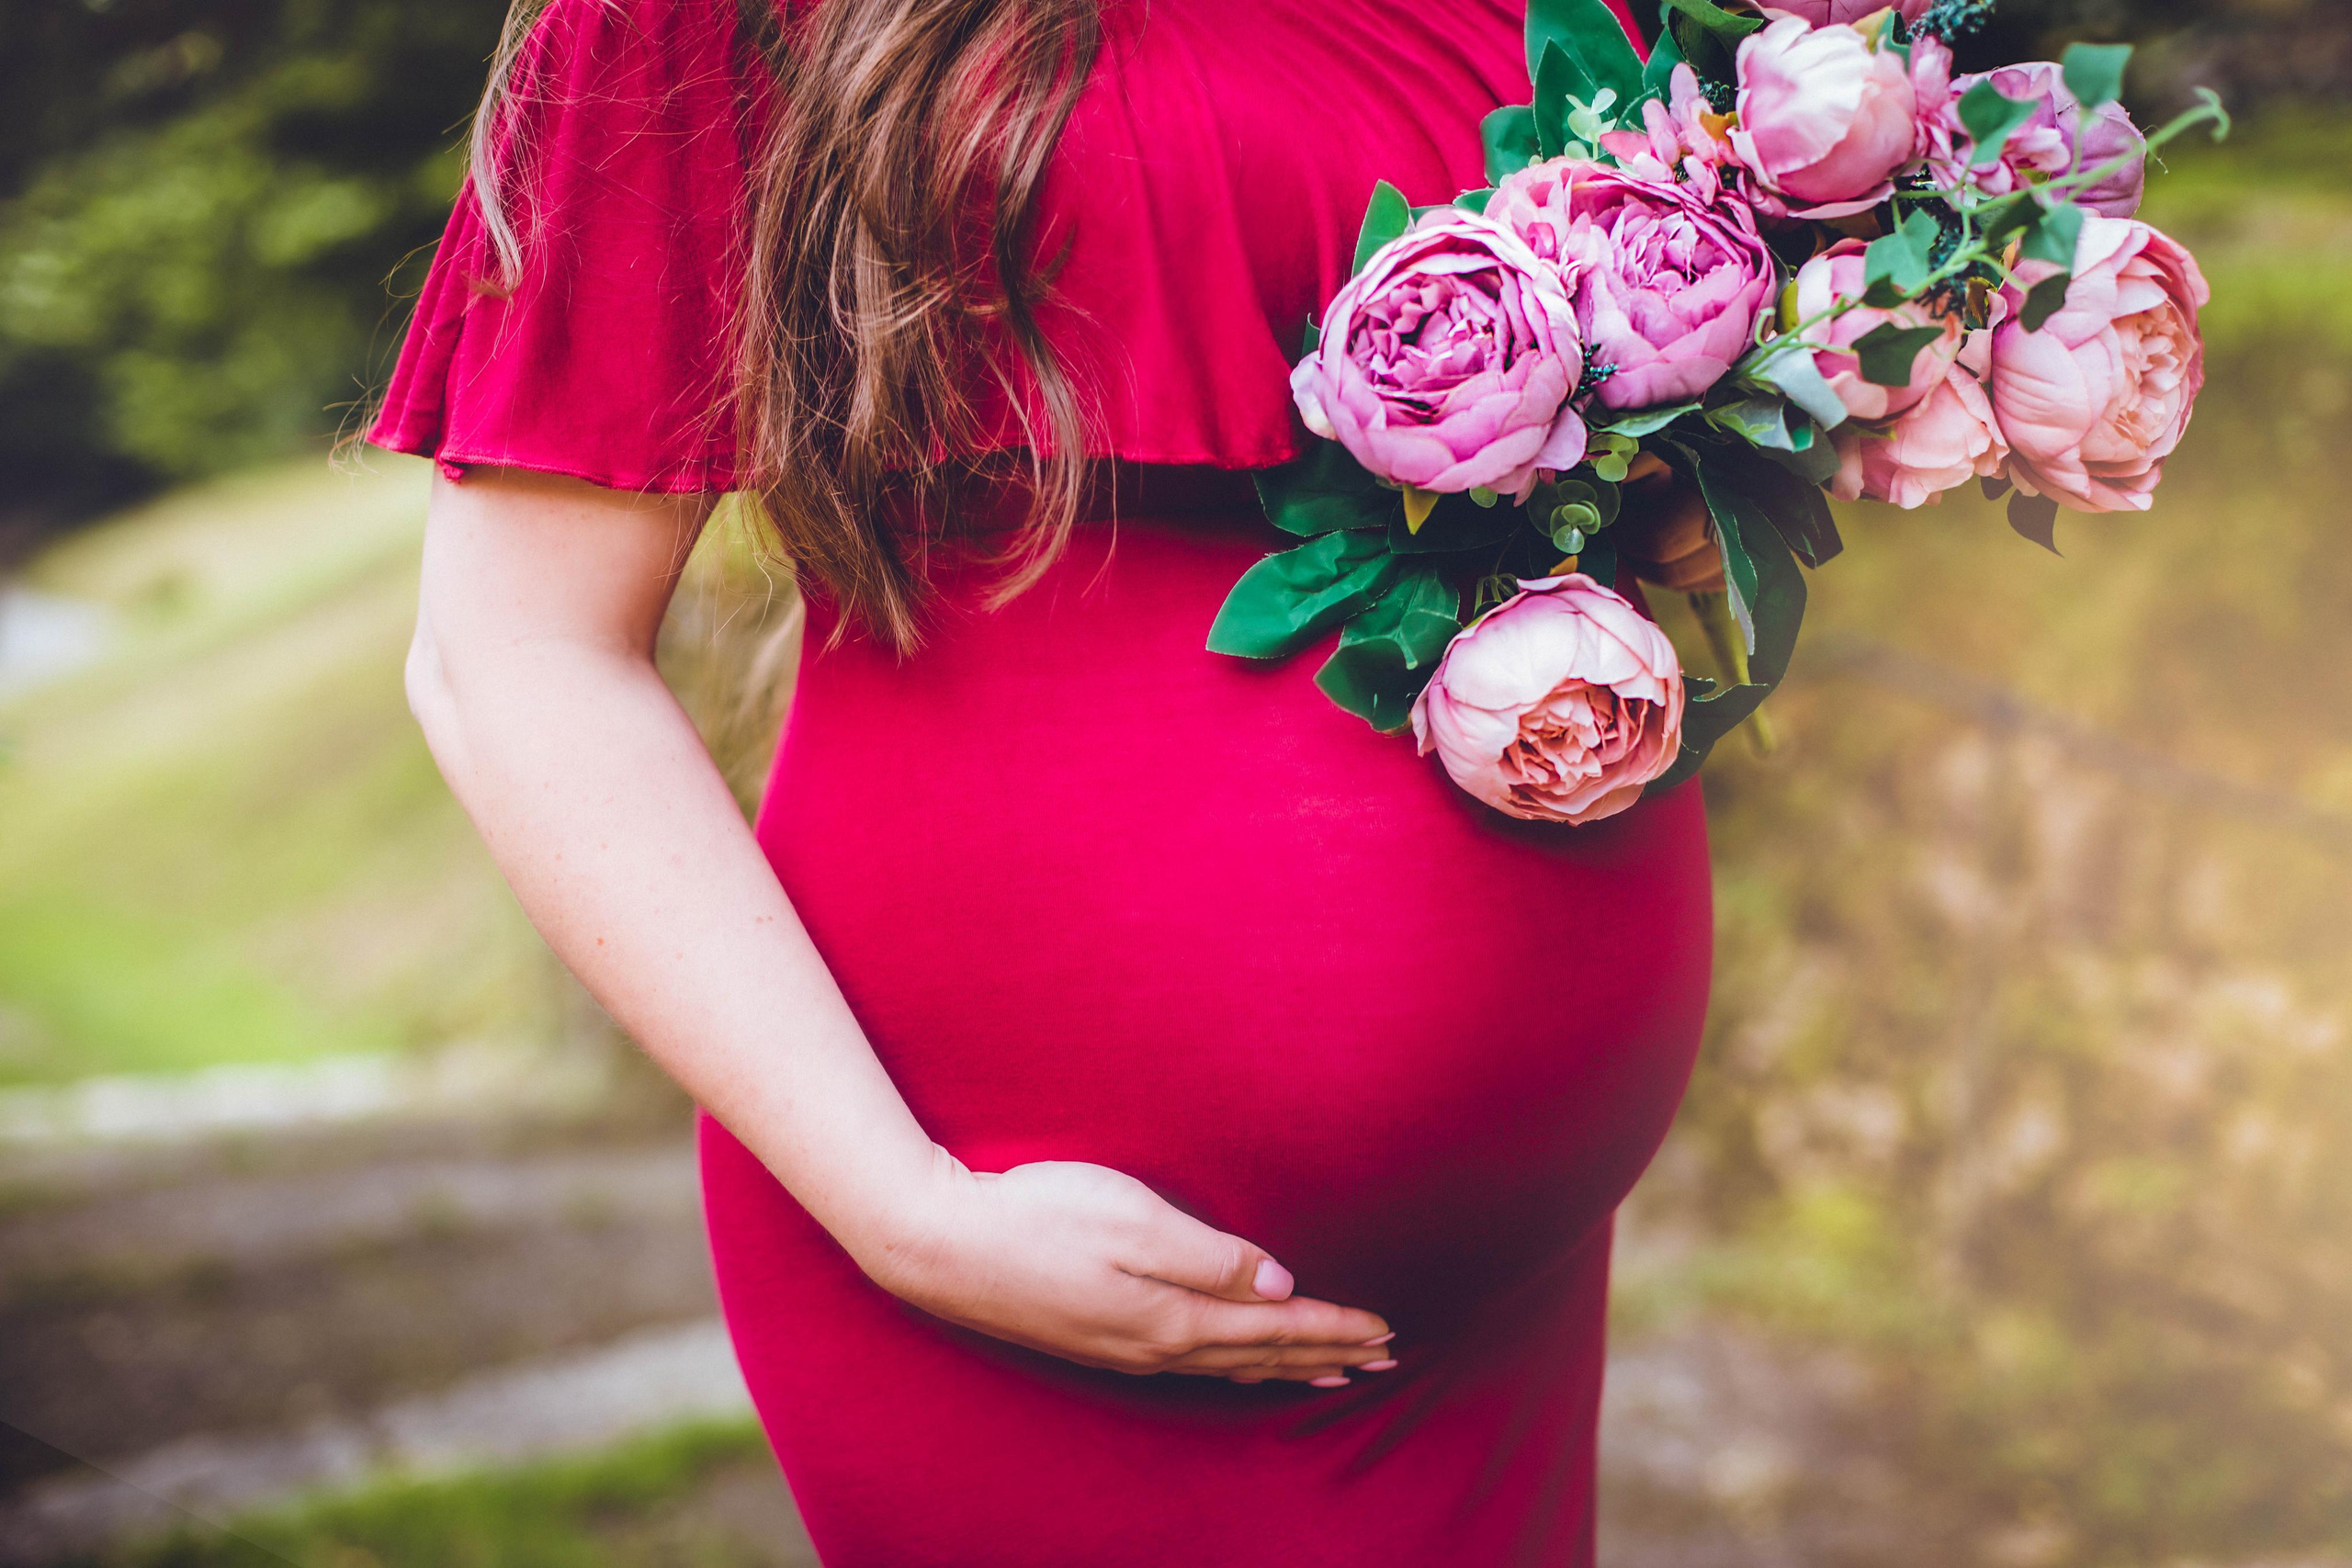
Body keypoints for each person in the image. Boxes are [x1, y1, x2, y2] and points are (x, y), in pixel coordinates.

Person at [378, 0, 1713, 1559]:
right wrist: (905, 1212)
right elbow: (511, 657)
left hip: (1500, 1287)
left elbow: (1640, 477)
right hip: (1004, 1254)